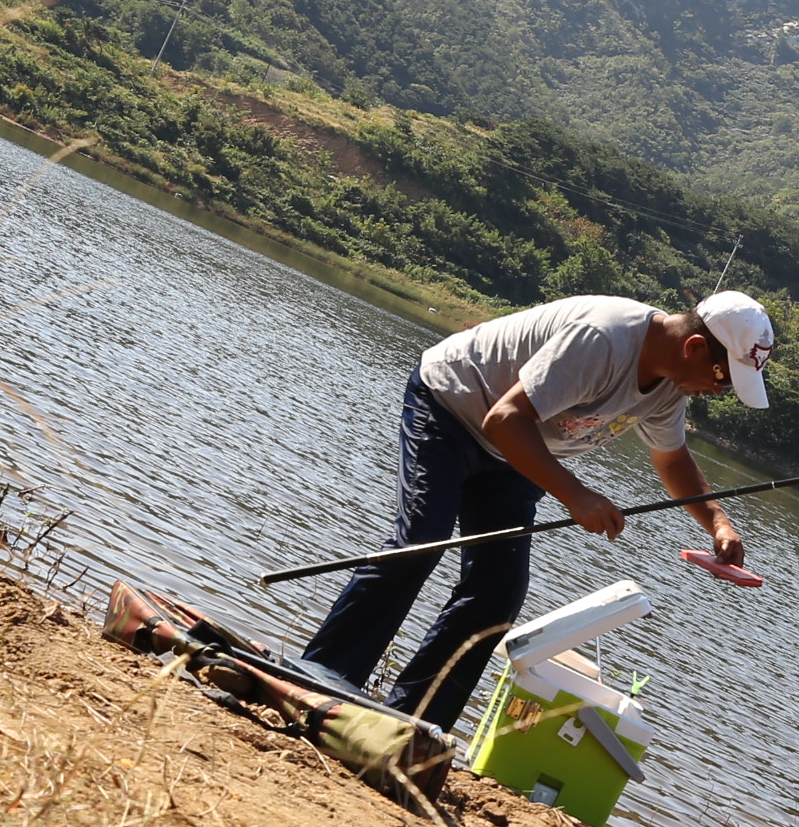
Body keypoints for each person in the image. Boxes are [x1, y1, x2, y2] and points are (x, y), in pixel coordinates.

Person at [301, 290, 774, 729]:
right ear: (693, 346)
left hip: (516, 453)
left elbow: (671, 458)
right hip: (453, 409)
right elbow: (503, 418)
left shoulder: (671, 384)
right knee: (423, 542)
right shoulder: (605, 340)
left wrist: (717, 521)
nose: (721, 391)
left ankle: (413, 720)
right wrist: (578, 496)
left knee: (498, 591)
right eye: (723, 377)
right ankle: (319, 676)